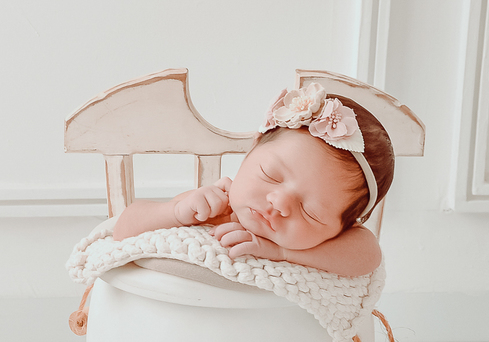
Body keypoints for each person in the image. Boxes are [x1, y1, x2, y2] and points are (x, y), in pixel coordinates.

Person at [112, 83, 394, 277]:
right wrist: (175, 212)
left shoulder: (324, 247)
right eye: (271, 175)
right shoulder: (213, 207)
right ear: (252, 149)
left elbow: (368, 256)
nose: (280, 203)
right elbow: (123, 230)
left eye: (312, 212)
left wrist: (280, 252)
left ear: (342, 229)